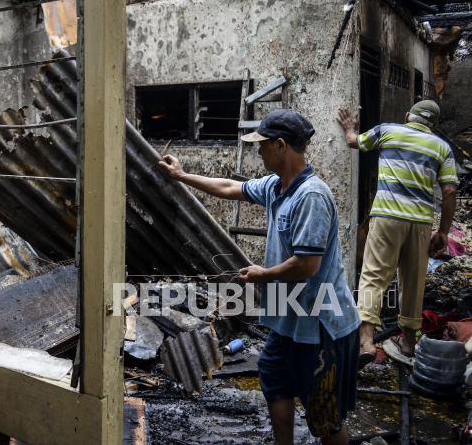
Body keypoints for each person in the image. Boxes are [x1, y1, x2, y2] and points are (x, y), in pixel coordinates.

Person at [158, 109, 360, 445]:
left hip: (322, 327)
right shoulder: (275, 186)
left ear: (280, 146)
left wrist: (263, 274)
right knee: (275, 382)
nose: (258, 151)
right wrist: (182, 176)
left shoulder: (311, 196)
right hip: (288, 321)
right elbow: (227, 187)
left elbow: (307, 265)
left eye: (262, 145)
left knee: (325, 417)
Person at [336, 100, 458, 366]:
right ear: (434, 126)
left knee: (373, 276)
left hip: (387, 217)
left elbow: (353, 142)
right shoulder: (442, 148)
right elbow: (449, 191)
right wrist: (444, 232)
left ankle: (367, 342)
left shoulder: (387, 131)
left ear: (407, 117)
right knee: (413, 282)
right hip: (421, 223)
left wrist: (349, 127)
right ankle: (408, 343)